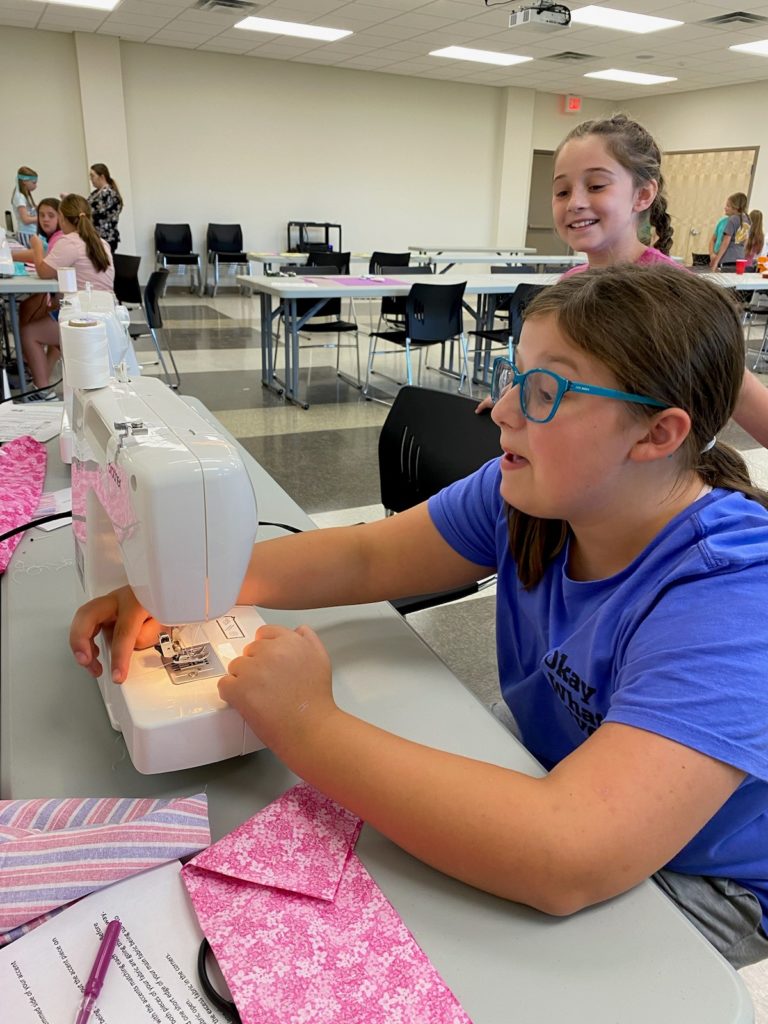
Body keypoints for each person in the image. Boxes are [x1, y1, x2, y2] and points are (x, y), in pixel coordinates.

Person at [70, 264, 768, 969]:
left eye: (545, 391)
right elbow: (367, 559)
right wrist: (192, 581)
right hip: (563, 770)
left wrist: (310, 725)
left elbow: (570, 852)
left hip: (704, 869)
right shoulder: (525, 493)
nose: (501, 410)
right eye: (512, 376)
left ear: (656, 435)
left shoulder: (731, 593)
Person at [477, 115, 768, 448]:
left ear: (643, 194)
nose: (575, 203)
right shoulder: (571, 285)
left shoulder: (671, 294)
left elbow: (739, 392)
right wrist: (518, 403)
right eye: (562, 190)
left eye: (597, 186)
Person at [21, 193, 114, 397]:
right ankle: (45, 378)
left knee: (29, 332)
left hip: (84, 320)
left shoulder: (69, 242)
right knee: (49, 315)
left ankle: (43, 390)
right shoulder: (101, 243)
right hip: (107, 316)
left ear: (62, 218)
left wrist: (36, 247)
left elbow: (44, 272)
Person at [87, 163, 122, 253]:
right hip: (96, 237)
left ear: (101, 177)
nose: (91, 179)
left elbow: (95, 213)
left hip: (105, 238)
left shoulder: (109, 194)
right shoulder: (95, 193)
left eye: (92, 176)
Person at [710, 192, 750, 270]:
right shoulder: (748, 219)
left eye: (728, 206)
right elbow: (745, 241)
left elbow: (725, 242)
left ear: (735, 208)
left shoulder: (732, 219)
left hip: (727, 259)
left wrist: (716, 261)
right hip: (739, 258)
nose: (725, 208)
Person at [10, 166, 39, 244]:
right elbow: (26, 220)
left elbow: (30, 211)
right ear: (24, 181)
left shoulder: (25, 195)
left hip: (30, 232)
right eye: (34, 183)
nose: (36, 186)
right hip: (27, 234)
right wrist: (40, 218)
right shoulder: (20, 197)